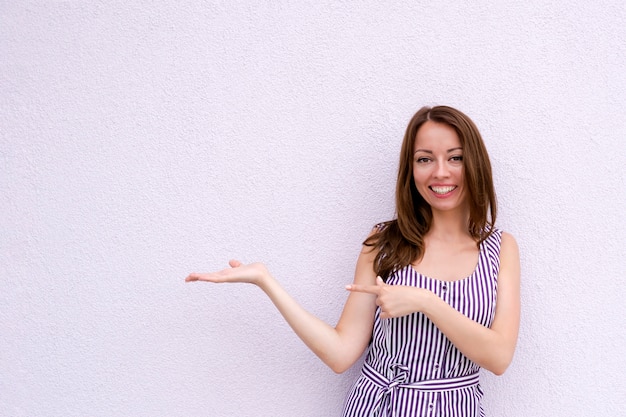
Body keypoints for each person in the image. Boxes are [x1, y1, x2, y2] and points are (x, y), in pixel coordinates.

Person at [186, 105, 520, 417]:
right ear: (411, 169)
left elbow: (499, 357)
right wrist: (265, 281)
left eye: (455, 157)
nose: (440, 172)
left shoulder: (500, 248)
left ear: (474, 163)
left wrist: (425, 301)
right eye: (424, 159)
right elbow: (341, 353)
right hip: (379, 406)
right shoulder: (384, 244)